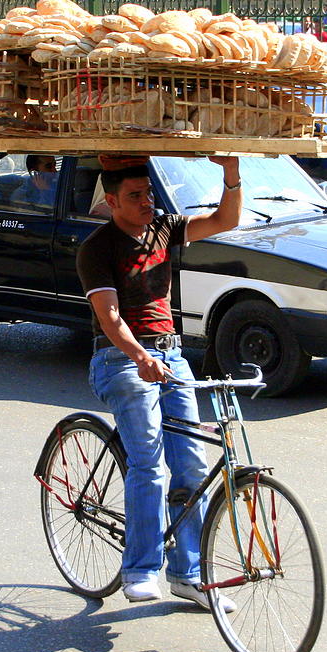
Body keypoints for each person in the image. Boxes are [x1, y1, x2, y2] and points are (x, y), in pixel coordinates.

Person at [76, 153, 242, 609]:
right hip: (119, 359)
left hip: (172, 356)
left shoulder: (164, 228)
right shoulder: (98, 248)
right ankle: (140, 569)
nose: (147, 202)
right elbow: (109, 317)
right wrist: (140, 357)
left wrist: (230, 172)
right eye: (135, 196)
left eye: (148, 192)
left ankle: (189, 574)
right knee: (150, 463)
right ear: (111, 201)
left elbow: (226, 219)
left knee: (191, 465)